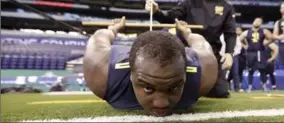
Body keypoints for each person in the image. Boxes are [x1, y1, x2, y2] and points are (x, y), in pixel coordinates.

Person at [83, 17, 218, 117]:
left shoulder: (205, 73)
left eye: (174, 87)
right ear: (131, 75)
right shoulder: (100, 71)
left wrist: (186, 32)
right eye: (148, 88)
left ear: (185, 75)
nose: (161, 104)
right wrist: (114, 28)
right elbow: (99, 38)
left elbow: (199, 41)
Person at [145, 0, 236, 98]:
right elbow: (169, 18)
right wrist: (156, 11)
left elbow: (230, 34)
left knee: (220, 92)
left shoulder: (227, 8)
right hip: (188, 53)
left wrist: (229, 54)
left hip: (211, 54)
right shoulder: (189, 3)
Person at [239, 17, 274, 92]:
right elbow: (239, 40)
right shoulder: (247, 32)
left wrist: (266, 43)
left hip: (260, 52)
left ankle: (264, 87)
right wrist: (245, 46)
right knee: (250, 70)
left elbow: (271, 38)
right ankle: (249, 87)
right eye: (256, 21)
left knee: (262, 70)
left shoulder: (264, 31)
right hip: (250, 53)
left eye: (259, 21)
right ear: (253, 22)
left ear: (261, 24)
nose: (257, 22)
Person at [224, 26, 243, 92]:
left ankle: (237, 88)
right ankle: (224, 88)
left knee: (235, 72)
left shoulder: (236, 37)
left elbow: (239, 46)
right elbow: (222, 46)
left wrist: (234, 53)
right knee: (223, 72)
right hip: (224, 55)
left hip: (234, 56)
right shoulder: (222, 36)